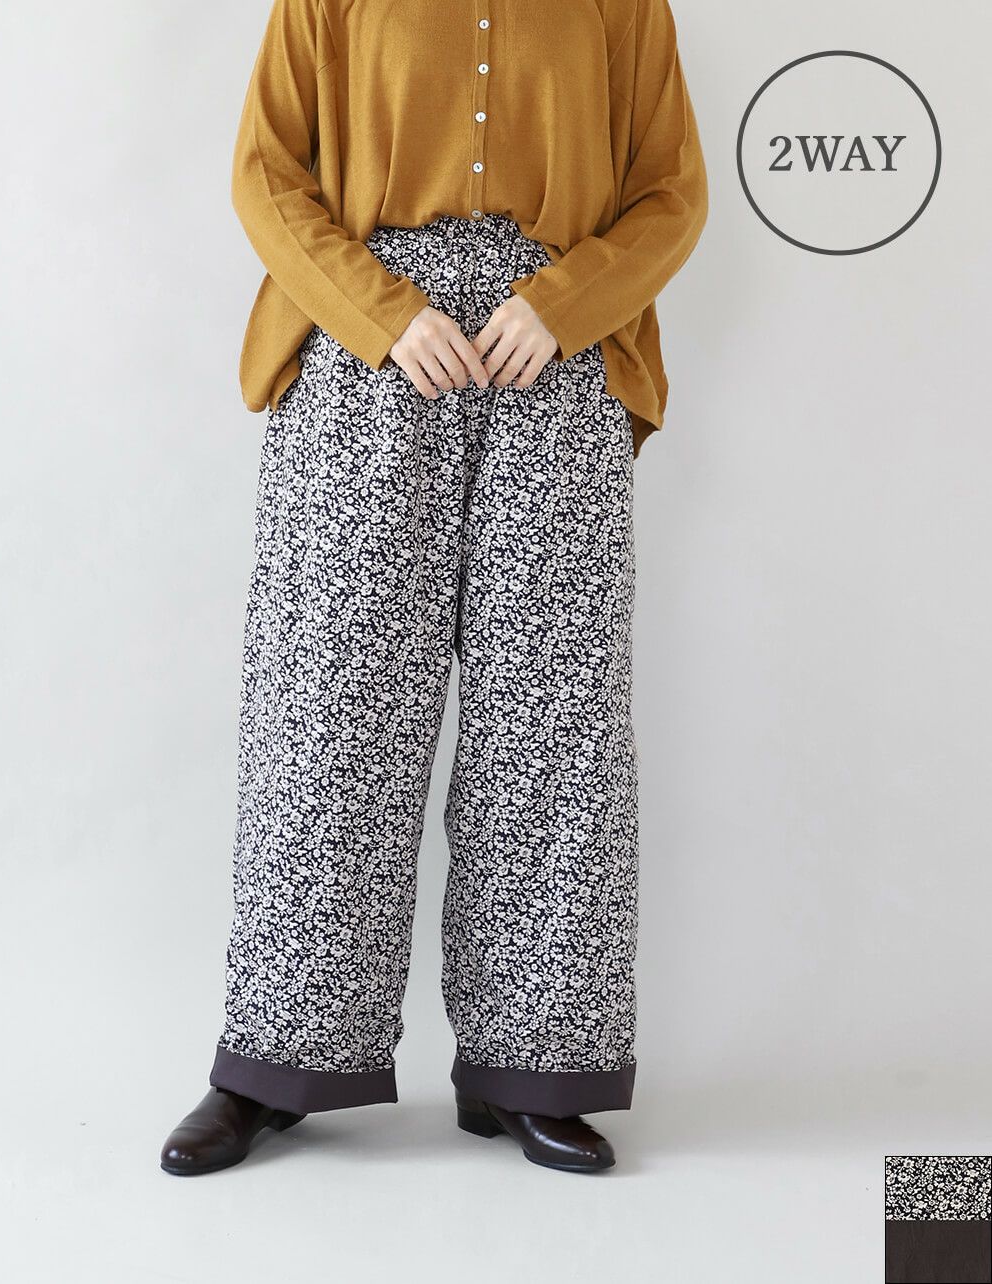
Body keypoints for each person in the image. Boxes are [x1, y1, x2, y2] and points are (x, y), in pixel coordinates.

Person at [160, 0, 708, 1177]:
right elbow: (265, 172)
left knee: (552, 724)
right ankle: (275, 1062)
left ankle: (533, 1067)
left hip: (550, 363)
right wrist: (383, 311)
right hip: (366, 363)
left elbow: (670, 190)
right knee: (331, 711)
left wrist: (562, 304)